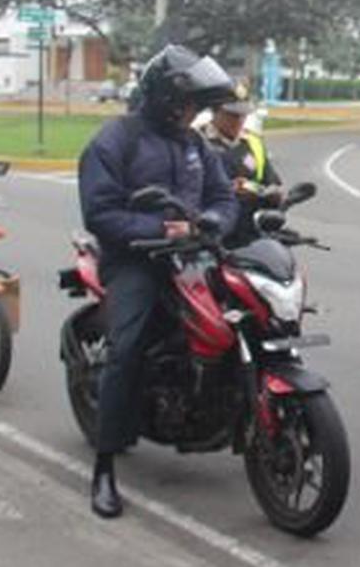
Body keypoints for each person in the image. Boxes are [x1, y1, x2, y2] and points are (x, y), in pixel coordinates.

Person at [78, 45, 239, 519]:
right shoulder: (115, 140)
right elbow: (100, 212)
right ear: (164, 98)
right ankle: (104, 468)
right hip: (136, 261)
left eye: (196, 107)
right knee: (126, 347)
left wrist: (210, 222)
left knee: (246, 315)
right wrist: (155, 231)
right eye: (186, 104)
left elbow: (223, 198)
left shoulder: (195, 146)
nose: (192, 114)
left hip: (193, 257)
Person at [197, 83, 285, 248]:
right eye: (231, 115)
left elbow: (272, 181)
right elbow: (185, 190)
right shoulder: (195, 142)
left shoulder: (253, 143)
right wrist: (228, 189)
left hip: (251, 237)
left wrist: (273, 193)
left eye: (243, 115)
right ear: (214, 111)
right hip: (211, 237)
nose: (238, 121)